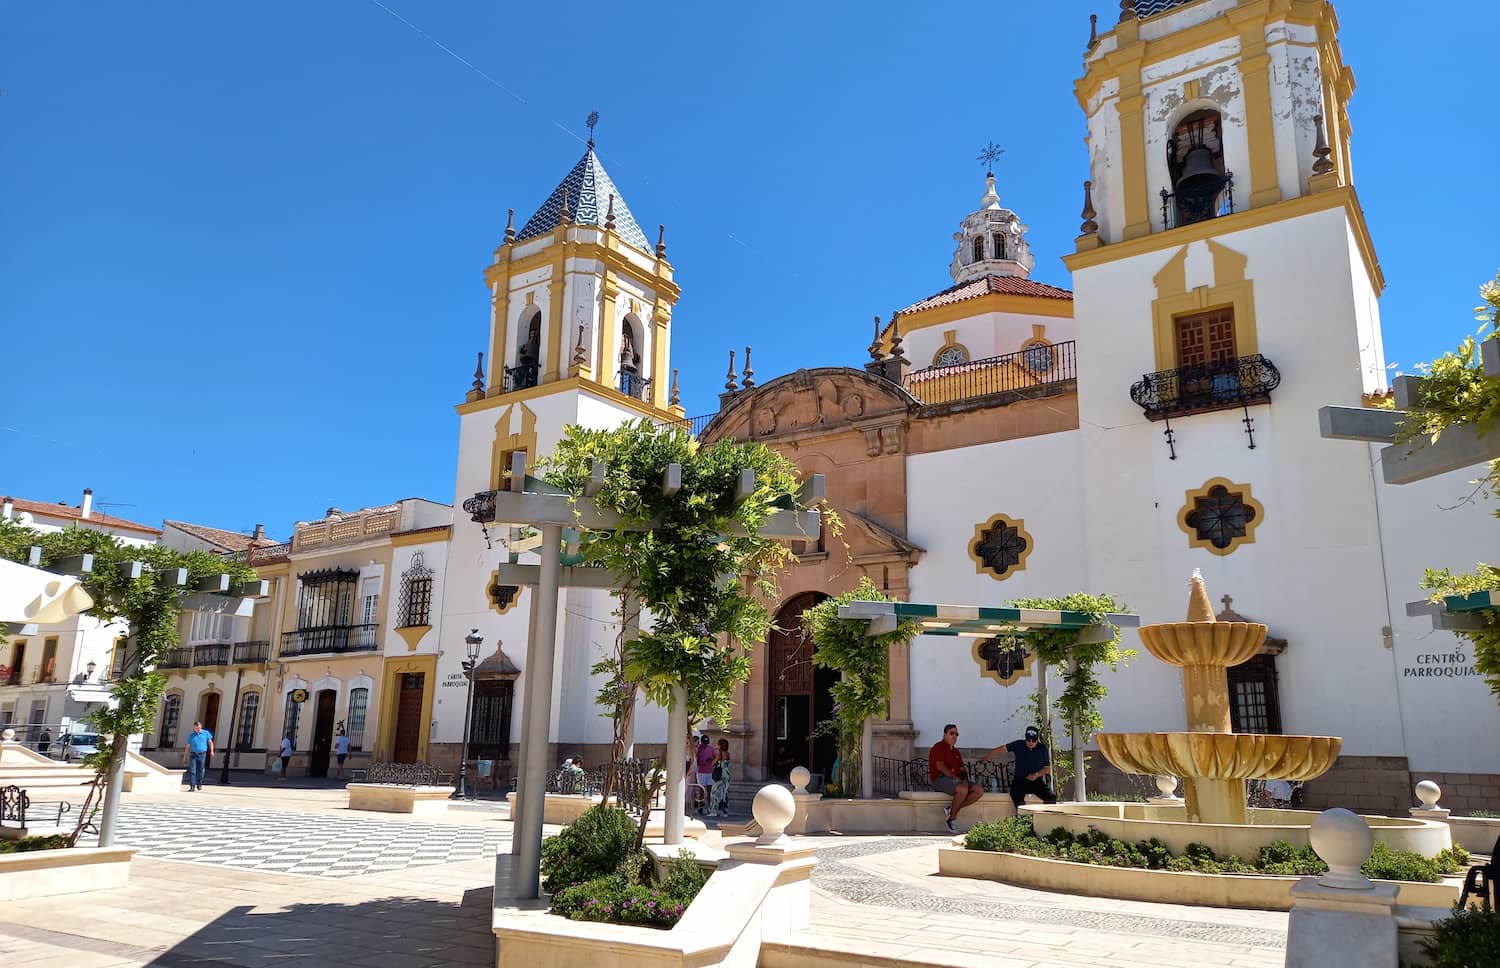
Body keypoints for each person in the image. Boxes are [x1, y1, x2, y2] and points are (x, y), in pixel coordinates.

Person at [982, 726, 1058, 808]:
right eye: (1028, 740)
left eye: (1033, 740)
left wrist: (1036, 775)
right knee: (1016, 795)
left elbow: (1046, 769)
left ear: (1037, 739)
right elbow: (1002, 748)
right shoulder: (1018, 745)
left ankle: (1045, 817)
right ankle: (1023, 817)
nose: (1031, 742)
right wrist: (988, 756)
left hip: (1036, 781)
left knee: (1051, 797)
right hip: (1020, 780)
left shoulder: (1042, 749)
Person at [929, 723, 982, 833]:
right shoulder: (938, 747)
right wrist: (956, 779)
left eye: (956, 734)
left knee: (978, 791)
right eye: (951, 733)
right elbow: (940, 766)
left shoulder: (956, 751)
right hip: (940, 779)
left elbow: (962, 769)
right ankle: (952, 819)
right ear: (945, 734)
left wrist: (966, 781)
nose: (954, 736)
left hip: (955, 780)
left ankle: (951, 809)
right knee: (962, 789)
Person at [182, 721, 214, 792]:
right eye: (196, 728)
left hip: (202, 754)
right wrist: (185, 757)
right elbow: (188, 746)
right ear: (194, 728)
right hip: (193, 754)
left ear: (201, 727)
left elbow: (210, 742)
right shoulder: (191, 735)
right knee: (192, 770)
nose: (197, 730)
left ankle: (199, 783)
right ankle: (192, 786)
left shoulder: (206, 733)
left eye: (198, 728)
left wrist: (211, 751)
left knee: (201, 770)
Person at [708, 738, 731, 817]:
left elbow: (713, 763)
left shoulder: (720, 754)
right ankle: (724, 811)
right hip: (726, 773)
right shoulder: (727, 753)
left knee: (715, 792)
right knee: (724, 793)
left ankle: (714, 810)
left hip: (720, 774)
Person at [693, 734, 716, 814]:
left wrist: (711, 760)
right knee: (701, 790)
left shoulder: (711, 748)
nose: (705, 744)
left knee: (710, 790)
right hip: (701, 771)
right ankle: (700, 807)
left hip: (710, 771)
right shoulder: (698, 749)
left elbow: (715, 757)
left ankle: (710, 807)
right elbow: (695, 759)